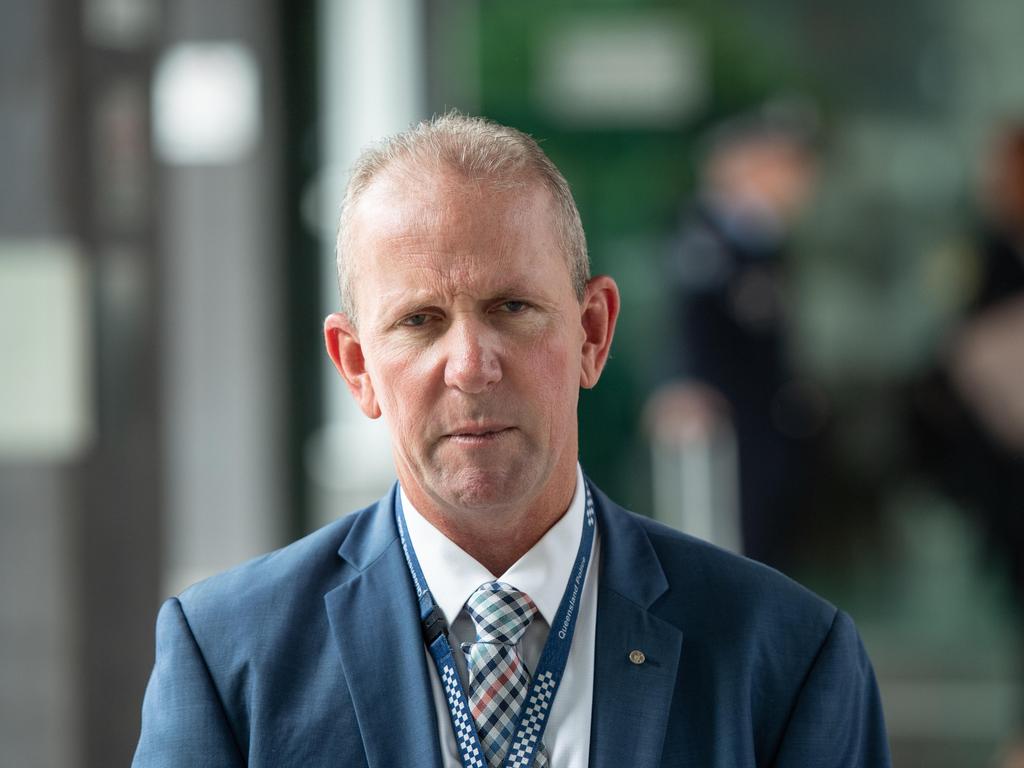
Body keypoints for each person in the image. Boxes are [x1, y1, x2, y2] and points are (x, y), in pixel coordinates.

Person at [133, 114, 890, 767]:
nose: (470, 366)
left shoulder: (788, 661)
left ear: (592, 333)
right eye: (419, 320)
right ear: (356, 366)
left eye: (511, 306)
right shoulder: (229, 661)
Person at [647, 109, 822, 571]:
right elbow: (684, 320)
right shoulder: (705, 235)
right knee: (723, 547)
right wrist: (682, 381)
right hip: (722, 424)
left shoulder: (763, 237)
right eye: (785, 165)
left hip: (763, 419)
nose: (800, 182)